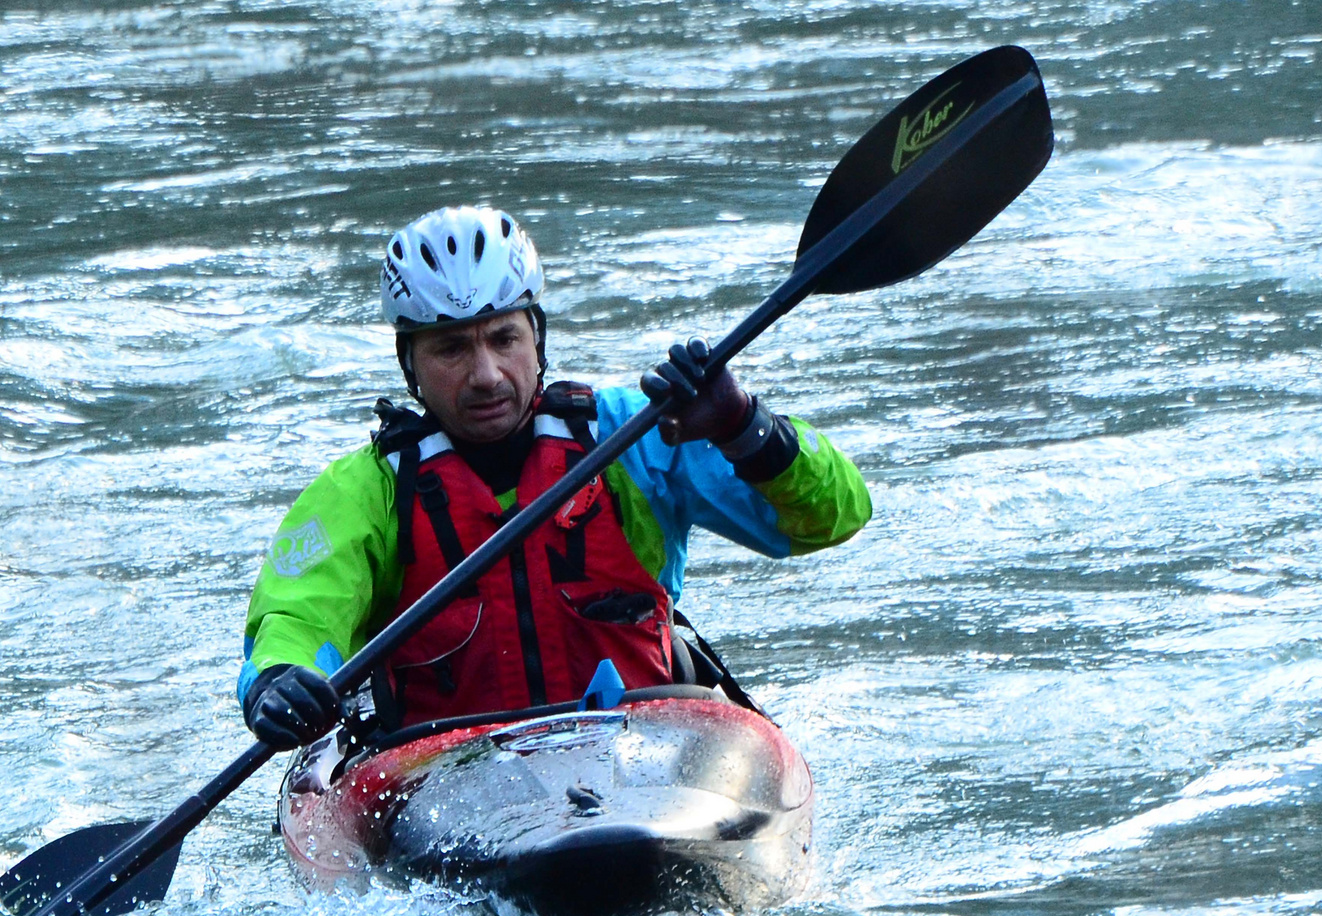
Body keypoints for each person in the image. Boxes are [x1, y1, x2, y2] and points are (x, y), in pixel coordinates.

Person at [238, 205, 872, 748]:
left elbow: (834, 517)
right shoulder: (366, 493)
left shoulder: (639, 436)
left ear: (537, 340)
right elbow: (298, 617)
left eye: (503, 338)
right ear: (411, 366)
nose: (485, 374)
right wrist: (278, 679)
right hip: (448, 780)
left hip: (644, 763)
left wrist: (742, 424)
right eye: (452, 348)